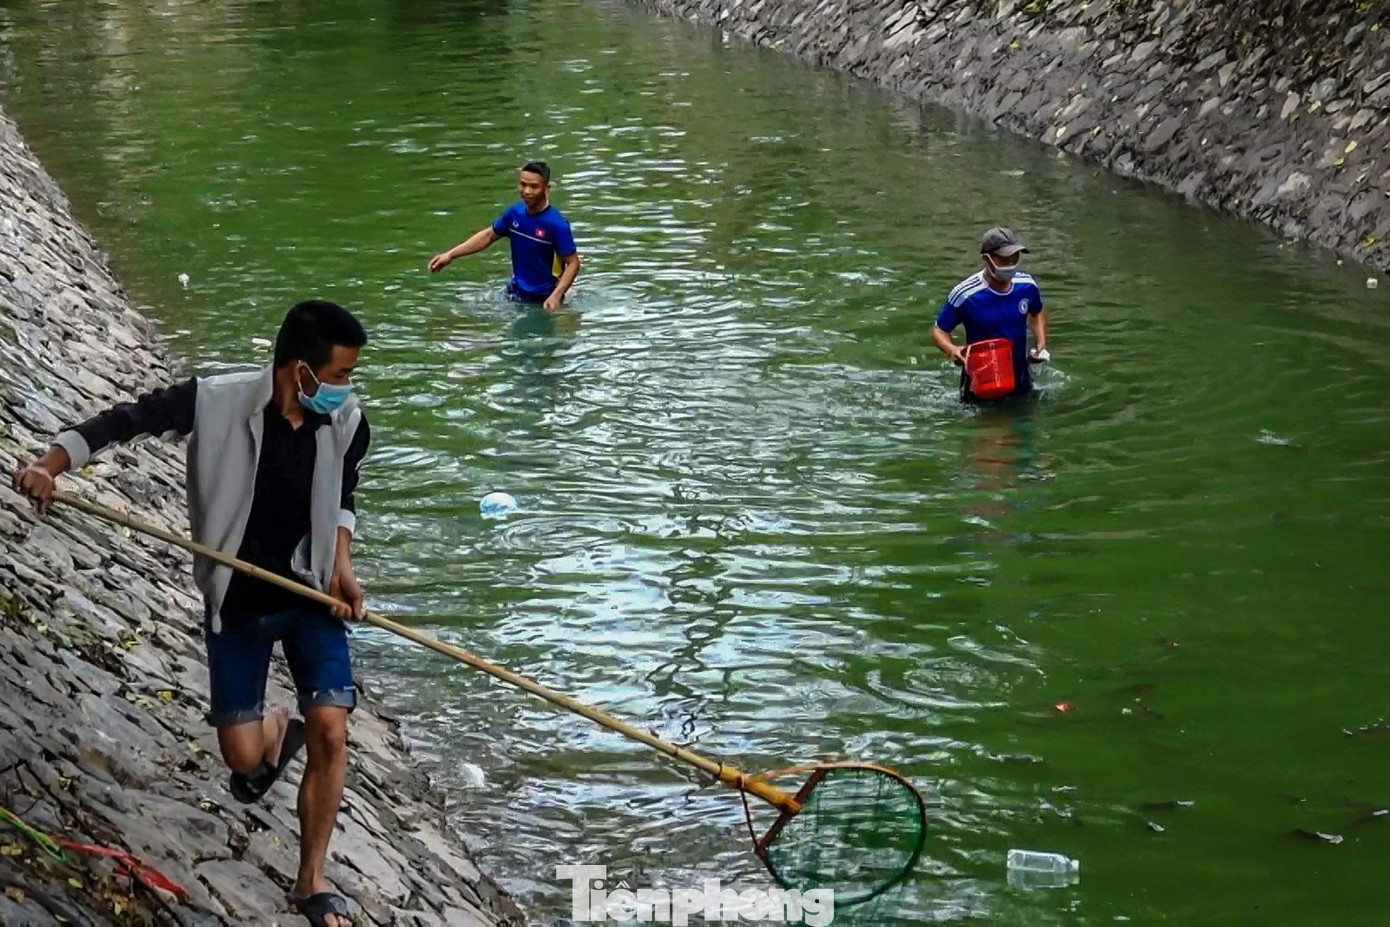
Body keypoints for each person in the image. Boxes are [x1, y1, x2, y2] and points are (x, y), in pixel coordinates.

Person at [13, 300, 369, 927]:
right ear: (299, 370)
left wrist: (342, 565)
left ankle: (310, 882)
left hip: (312, 598)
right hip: (239, 601)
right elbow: (125, 421)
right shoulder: (216, 400)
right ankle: (273, 730)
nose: (346, 390)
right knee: (242, 762)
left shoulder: (349, 424)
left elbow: (343, 495)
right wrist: (51, 463)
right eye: (338, 376)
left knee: (333, 730)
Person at [428, 161, 582, 311]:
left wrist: (556, 295)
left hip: (543, 299)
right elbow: (488, 236)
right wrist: (450, 255)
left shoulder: (556, 224)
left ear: (546, 188)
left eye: (534, 187)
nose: (527, 191)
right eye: (523, 184)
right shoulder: (514, 214)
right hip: (515, 292)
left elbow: (573, 263)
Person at [932, 227, 1050, 400]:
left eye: (1014, 258)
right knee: (992, 427)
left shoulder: (1027, 286)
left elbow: (1037, 311)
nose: (1010, 265)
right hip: (981, 384)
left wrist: (1040, 341)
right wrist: (953, 350)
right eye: (1004, 260)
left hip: (1021, 381)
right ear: (986, 259)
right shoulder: (966, 294)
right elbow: (939, 330)